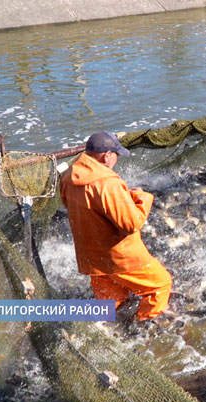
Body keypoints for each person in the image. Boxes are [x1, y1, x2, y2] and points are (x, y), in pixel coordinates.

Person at [59, 131, 172, 321]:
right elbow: (131, 224)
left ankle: (110, 330)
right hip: (119, 258)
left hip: (91, 258)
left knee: (110, 302)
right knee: (159, 285)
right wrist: (143, 198)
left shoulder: (68, 176)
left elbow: (80, 205)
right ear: (106, 156)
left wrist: (122, 198)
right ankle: (146, 325)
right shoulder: (108, 183)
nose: (117, 159)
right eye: (116, 155)